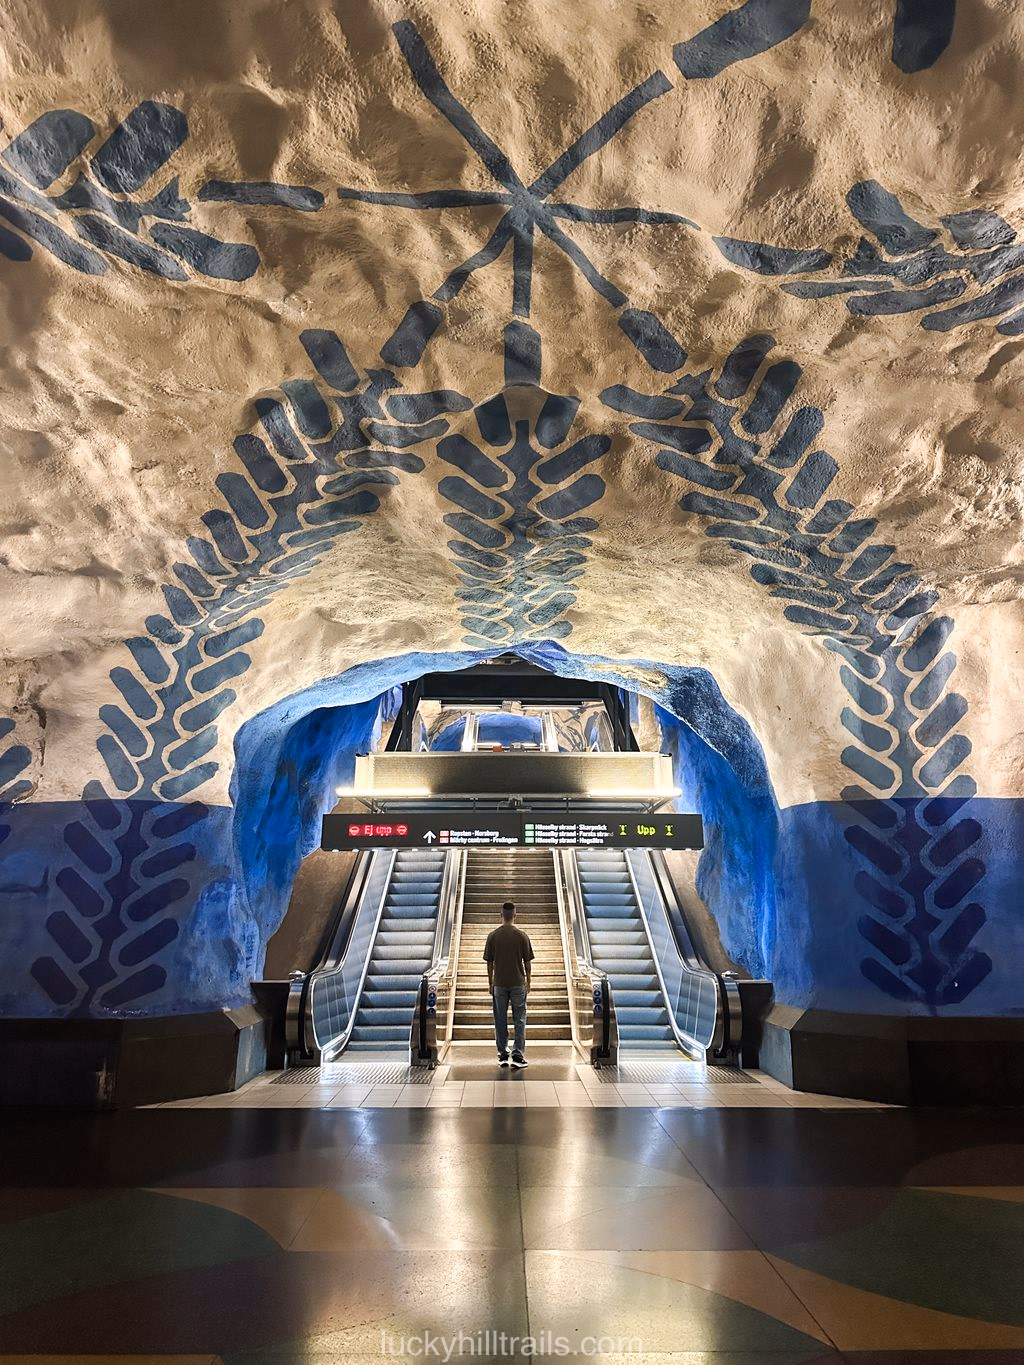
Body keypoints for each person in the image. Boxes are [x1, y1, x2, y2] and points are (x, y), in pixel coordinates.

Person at [483, 900, 534, 1069]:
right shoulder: (522, 936)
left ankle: (503, 1055)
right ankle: (518, 1055)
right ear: (515, 915)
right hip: (518, 983)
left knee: (500, 1019)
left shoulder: (493, 936)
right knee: (519, 1019)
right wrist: (529, 982)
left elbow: (489, 963)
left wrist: (490, 982)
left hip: (499, 984)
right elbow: (527, 962)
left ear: (501, 915)